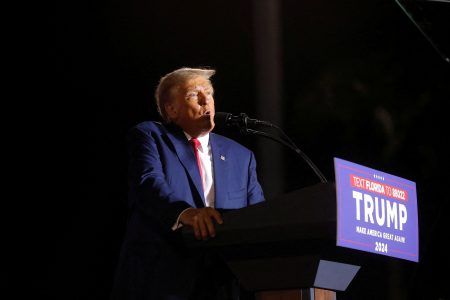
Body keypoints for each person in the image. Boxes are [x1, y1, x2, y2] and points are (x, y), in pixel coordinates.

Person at [111, 67, 265, 300]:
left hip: (223, 285)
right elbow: (149, 184)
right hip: (162, 283)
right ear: (171, 109)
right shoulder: (151, 136)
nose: (206, 101)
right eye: (194, 95)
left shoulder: (241, 157)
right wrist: (186, 213)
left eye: (209, 93)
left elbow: (258, 215)